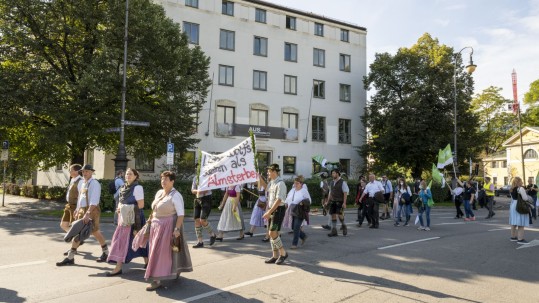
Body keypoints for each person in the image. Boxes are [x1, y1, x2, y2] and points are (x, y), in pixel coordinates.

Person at [145, 171, 193, 291]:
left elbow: (181, 215)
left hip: (168, 227)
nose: (163, 182)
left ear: (172, 181)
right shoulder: (159, 193)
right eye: (162, 179)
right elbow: (155, 209)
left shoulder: (176, 195)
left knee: (161, 253)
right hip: (156, 227)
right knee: (159, 252)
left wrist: (176, 229)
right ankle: (174, 270)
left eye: (166, 179)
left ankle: (156, 279)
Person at [56, 164, 109, 266]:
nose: (85, 173)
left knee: (95, 232)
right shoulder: (83, 183)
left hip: (91, 210)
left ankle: (106, 252)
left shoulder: (95, 184)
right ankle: (70, 257)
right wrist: (77, 209)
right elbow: (81, 197)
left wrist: (88, 213)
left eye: (87, 172)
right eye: (83, 172)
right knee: (77, 231)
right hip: (82, 210)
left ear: (91, 172)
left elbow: (94, 200)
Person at [105, 168, 148, 276]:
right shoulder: (123, 187)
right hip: (124, 219)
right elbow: (120, 202)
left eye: (131, 174)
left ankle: (148, 262)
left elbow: (141, 205)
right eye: (127, 174)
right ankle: (118, 267)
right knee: (121, 242)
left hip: (135, 219)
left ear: (135, 176)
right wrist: (119, 208)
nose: (128, 175)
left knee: (140, 242)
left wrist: (124, 208)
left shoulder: (138, 188)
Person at [261, 163, 288, 265]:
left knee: (273, 232)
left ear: (274, 172)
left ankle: (283, 253)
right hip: (272, 210)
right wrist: (259, 178)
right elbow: (266, 188)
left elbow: (279, 200)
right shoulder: (272, 182)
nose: (267, 173)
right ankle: (275, 255)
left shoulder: (281, 184)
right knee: (271, 233)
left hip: (278, 210)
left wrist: (269, 212)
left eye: (269, 171)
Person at [191, 174, 217, 248]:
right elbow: (193, 190)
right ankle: (200, 241)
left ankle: (212, 234)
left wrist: (199, 191)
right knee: (196, 220)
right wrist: (199, 191)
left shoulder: (208, 177)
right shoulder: (195, 177)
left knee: (203, 220)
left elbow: (207, 189)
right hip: (197, 199)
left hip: (206, 199)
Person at [286, 175, 311, 249]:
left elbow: (309, 200)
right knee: (293, 227)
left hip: (300, 210)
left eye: (297, 183)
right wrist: (286, 203)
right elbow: (288, 198)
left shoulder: (304, 190)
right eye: (295, 183)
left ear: (301, 184)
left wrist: (303, 202)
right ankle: (303, 236)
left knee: (296, 227)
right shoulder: (292, 190)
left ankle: (294, 244)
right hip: (293, 209)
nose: (295, 185)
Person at [509, 177, 533, 244]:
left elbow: (512, 198)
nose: (522, 182)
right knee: (520, 223)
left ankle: (513, 237)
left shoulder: (511, 189)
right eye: (521, 181)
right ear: (519, 181)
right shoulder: (521, 188)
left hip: (513, 205)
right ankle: (520, 239)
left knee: (513, 222)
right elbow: (525, 198)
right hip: (520, 205)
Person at [60, 164, 83, 233]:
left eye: (71, 170)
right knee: (63, 225)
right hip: (69, 205)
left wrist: (78, 209)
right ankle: (75, 237)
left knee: (74, 226)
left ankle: (76, 238)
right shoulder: (73, 180)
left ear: (77, 171)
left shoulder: (81, 181)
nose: (69, 171)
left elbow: (80, 196)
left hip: (75, 206)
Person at [327, 169, 349, 236]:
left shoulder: (343, 182)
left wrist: (344, 203)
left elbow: (345, 193)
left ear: (337, 174)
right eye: (332, 173)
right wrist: (327, 202)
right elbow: (330, 193)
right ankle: (334, 231)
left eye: (334, 173)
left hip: (340, 201)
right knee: (333, 215)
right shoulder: (331, 182)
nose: (332, 174)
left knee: (340, 215)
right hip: (333, 201)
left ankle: (344, 225)